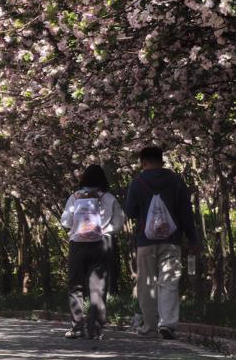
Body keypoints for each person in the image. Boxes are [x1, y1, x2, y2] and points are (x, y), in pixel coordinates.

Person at [124, 146, 199, 340]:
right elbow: (185, 213)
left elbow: (130, 212)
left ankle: (149, 325)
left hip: (145, 242)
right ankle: (167, 324)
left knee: (146, 283)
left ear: (144, 162)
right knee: (169, 281)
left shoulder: (137, 182)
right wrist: (192, 238)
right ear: (162, 160)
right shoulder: (176, 181)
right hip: (171, 240)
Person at [59, 164, 125, 339]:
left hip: (78, 244)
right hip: (101, 244)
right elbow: (119, 224)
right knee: (98, 287)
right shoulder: (109, 198)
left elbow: (65, 222)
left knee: (75, 286)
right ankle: (95, 329)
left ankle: (77, 327)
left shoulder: (75, 197)